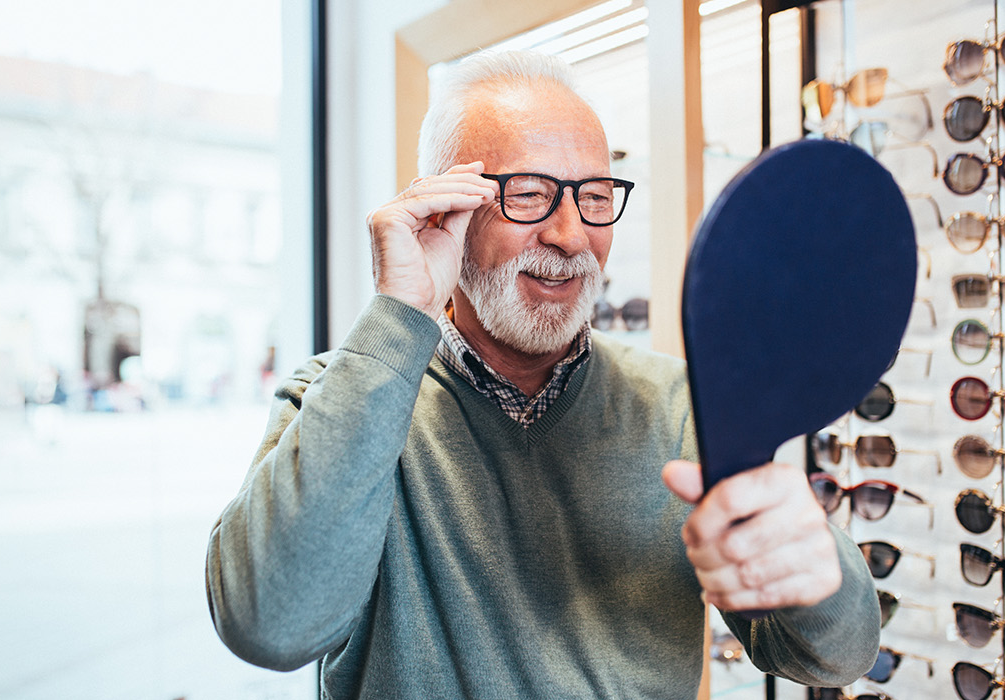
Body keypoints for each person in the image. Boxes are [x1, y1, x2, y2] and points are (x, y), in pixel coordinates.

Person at [205, 50, 880, 698]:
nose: (571, 235)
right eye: (529, 194)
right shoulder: (344, 397)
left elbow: (834, 656)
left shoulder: (681, 405)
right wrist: (398, 314)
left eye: (595, 196)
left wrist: (817, 570)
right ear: (444, 209)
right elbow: (269, 624)